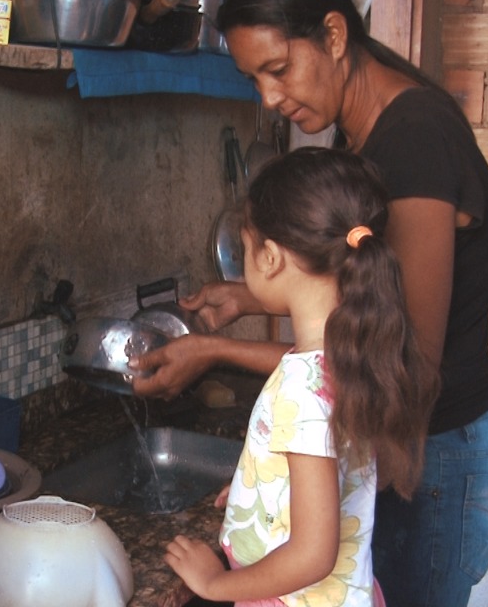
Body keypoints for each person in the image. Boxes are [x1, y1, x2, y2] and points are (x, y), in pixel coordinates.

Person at [133, 0, 488, 607]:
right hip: (411, 445)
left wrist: (213, 350)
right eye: (253, 78)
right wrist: (248, 295)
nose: (270, 98)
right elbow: (354, 295)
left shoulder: (413, 140)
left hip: (445, 449)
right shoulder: (362, 138)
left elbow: (402, 363)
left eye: (279, 70)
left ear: (335, 36)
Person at [163, 147, 439, 607]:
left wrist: (214, 585)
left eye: (245, 248)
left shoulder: (302, 388)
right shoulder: (346, 356)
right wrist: (264, 488)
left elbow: (313, 555)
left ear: (269, 257)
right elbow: (333, 465)